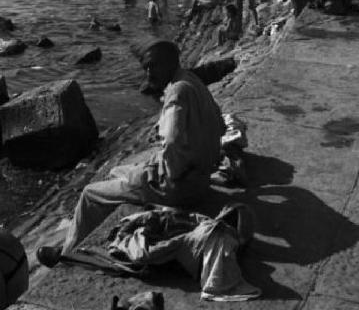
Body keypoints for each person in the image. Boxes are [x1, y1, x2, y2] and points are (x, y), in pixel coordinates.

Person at [36, 39, 225, 266]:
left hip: (179, 187)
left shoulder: (177, 92)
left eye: (153, 66)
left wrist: (156, 175)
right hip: (200, 178)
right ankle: (83, 233)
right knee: (117, 170)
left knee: (89, 194)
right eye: (145, 67)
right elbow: (220, 124)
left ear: (169, 63)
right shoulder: (192, 80)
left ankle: (67, 255)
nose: (148, 72)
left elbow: (173, 145)